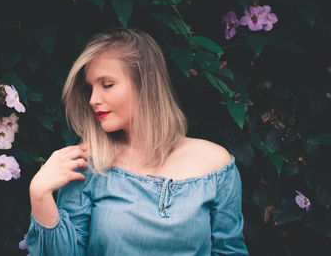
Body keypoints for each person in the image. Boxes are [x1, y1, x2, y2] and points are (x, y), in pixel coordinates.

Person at [25, 28, 248, 255]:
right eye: (90, 88)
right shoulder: (88, 165)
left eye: (107, 84)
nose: (93, 100)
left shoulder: (215, 165)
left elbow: (230, 251)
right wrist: (39, 194)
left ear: (146, 81)